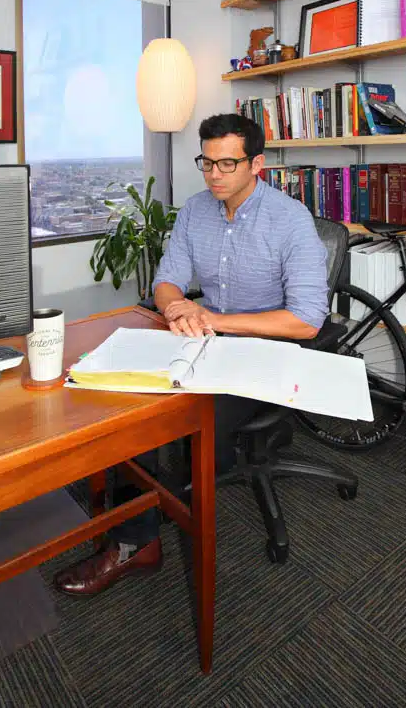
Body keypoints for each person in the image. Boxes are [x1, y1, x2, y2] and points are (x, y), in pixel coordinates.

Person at [53, 113, 329, 596]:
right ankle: (138, 517)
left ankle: (134, 539)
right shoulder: (196, 211)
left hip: (262, 354)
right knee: (125, 393)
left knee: (172, 414)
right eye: (207, 162)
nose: (215, 174)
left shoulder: (289, 220)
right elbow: (166, 280)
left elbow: (307, 320)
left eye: (228, 163)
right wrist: (176, 304)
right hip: (202, 339)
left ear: (257, 163)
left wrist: (214, 320)